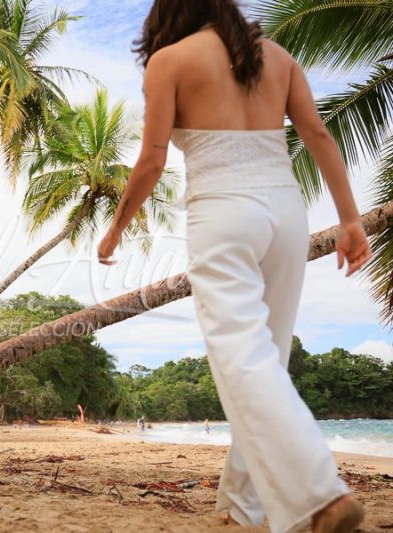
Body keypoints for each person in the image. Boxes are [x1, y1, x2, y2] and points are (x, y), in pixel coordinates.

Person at [97, 2, 371, 532]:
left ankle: (321, 494)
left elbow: (152, 160)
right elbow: (317, 134)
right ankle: (248, 506)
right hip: (286, 213)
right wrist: (349, 219)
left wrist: (114, 229)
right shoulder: (280, 57)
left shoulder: (170, 61)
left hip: (224, 211)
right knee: (267, 357)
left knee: (244, 360)